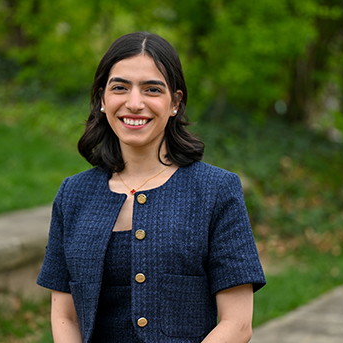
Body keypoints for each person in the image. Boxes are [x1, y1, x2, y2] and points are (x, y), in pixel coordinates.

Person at [37, 31, 266, 343]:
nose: (134, 103)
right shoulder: (73, 194)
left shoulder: (216, 190)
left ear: (174, 103)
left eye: (152, 89)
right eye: (120, 87)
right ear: (102, 99)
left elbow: (238, 324)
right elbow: (65, 315)